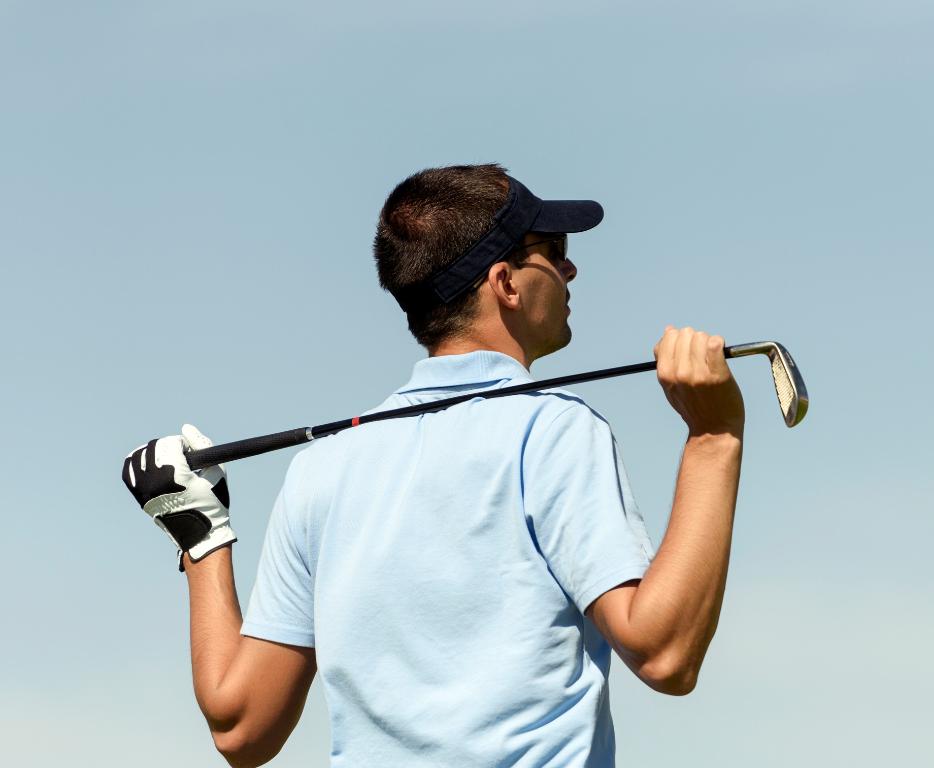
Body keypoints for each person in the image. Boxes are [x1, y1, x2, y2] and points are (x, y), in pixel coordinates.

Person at [120, 164, 746, 768]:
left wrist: (202, 539)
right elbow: (665, 654)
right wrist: (713, 436)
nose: (569, 265)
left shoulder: (320, 471)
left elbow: (242, 728)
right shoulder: (552, 430)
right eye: (551, 249)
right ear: (505, 282)